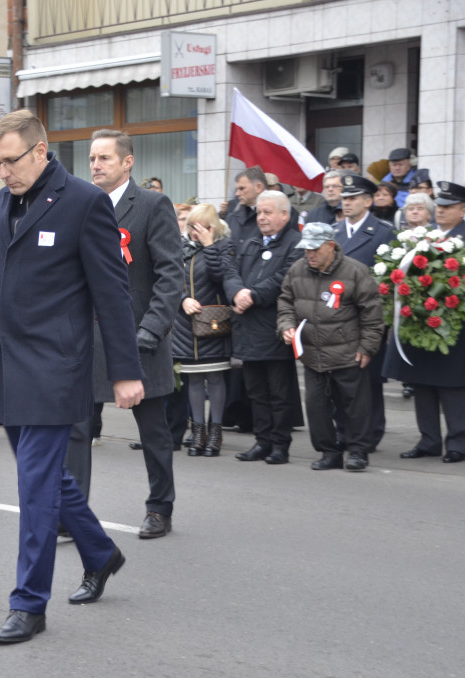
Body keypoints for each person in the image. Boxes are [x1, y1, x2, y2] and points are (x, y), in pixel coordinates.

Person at [0, 110, 144, 643]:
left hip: (53, 369)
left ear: (41, 151)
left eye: (11, 161)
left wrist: (124, 372)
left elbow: (112, 295)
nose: (3, 172)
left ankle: (29, 603)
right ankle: (101, 552)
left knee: (35, 489)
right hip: (4, 365)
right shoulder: (0, 204)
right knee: (46, 477)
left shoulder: (84, 203)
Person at [68, 129, 181, 539]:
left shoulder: (152, 205)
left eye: (105, 158)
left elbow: (170, 276)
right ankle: (73, 512)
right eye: (93, 158)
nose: (95, 165)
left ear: (127, 162)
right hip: (87, 341)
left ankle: (159, 508)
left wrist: (150, 331)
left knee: (153, 431)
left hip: (138, 340)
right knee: (77, 430)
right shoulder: (80, 206)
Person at [383, 181, 465, 464]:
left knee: (452, 385)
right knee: (421, 382)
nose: (441, 211)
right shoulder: (425, 238)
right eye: (440, 206)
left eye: (448, 207)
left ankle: (458, 442)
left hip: (453, 323)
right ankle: (429, 440)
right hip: (421, 321)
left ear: (463, 210)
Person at [278, 223, 384, 471]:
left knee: (355, 407)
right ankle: (329, 451)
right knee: (316, 408)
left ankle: (358, 451)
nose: (310, 255)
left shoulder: (355, 271)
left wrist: (367, 347)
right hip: (312, 353)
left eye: (315, 249)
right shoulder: (297, 270)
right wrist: (286, 325)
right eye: (306, 250)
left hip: (348, 352)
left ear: (331, 246)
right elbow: (285, 302)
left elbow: (372, 313)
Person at [224, 190, 304, 464]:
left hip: (274, 328)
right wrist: (236, 292)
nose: (261, 217)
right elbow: (231, 270)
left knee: (279, 394)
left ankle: (280, 445)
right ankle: (262, 441)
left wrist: (253, 295)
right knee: (256, 392)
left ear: (285, 214)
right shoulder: (252, 241)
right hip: (247, 327)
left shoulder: (295, 243)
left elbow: (286, 277)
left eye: (268, 212)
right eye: (259, 212)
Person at [332, 174, 395, 449]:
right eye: (344, 198)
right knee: (339, 378)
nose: (346, 203)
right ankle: (343, 430)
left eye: (353, 198)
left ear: (368, 201)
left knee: (369, 380)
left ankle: (370, 432)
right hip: (335, 317)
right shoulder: (332, 233)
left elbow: (392, 277)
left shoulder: (384, 231)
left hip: (367, 316)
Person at [172, 203, 233, 457]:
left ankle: (215, 432)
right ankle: (198, 432)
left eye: (200, 227)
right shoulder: (181, 249)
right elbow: (170, 279)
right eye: (191, 226)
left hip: (214, 324)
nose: (194, 232)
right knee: (194, 380)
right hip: (186, 325)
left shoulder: (224, 247)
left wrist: (209, 247)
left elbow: (222, 276)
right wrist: (183, 299)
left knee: (216, 378)